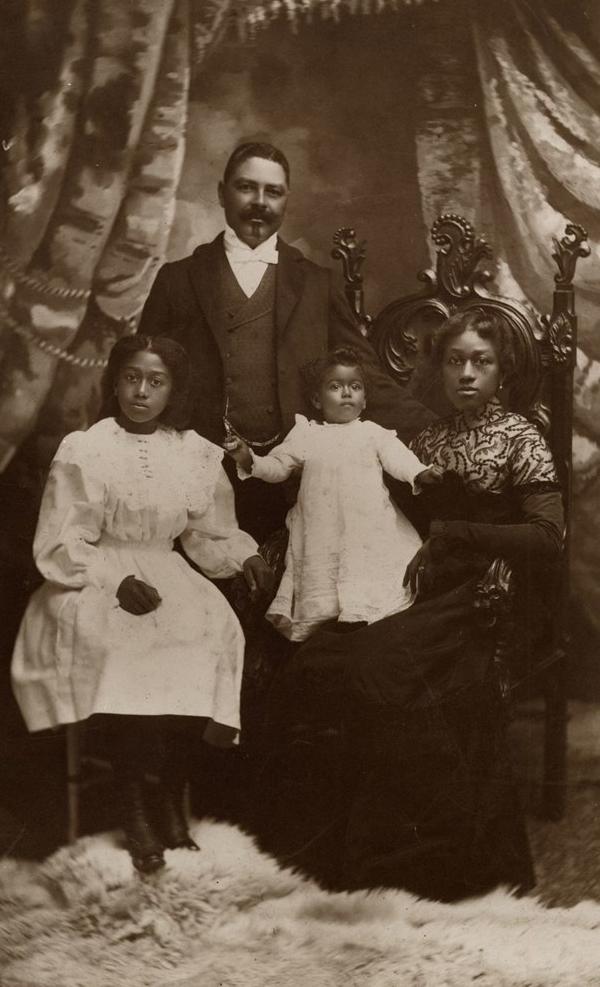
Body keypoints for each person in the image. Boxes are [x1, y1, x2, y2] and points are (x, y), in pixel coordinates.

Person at [252, 309, 564, 902]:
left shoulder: (522, 438)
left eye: (482, 361)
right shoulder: (426, 441)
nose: (466, 374)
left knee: (383, 669)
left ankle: (423, 866)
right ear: (439, 370)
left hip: (490, 595)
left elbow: (549, 539)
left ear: (505, 370)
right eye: (455, 361)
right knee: (325, 661)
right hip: (417, 586)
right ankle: (315, 858)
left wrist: (461, 535)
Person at [11, 334, 272, 874]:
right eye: (132, 377)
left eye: (156, 381)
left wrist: (243, 555)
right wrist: (113, 580)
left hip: (167, 570)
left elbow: (209, 532)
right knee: (129, 650)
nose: (141, 391)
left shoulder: (194, 452)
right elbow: (60, 541)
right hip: (94, 575)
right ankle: (134, 805)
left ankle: (171, 795)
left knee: (207, 640)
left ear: (172, 390)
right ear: (114, 380)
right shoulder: (86, 449)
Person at [137, 141, 434, 544]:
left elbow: (367, 376)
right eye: (247, 188)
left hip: (296, 477)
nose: (260, 202)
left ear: (286, 201)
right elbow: (138, 374)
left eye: (272, 192)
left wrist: (439, 430)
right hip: (200, 476)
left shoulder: (316, 282)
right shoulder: (178, 278)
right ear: (222, 192)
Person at [225, 346, 441, 641]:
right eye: (335, 387)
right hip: (321, 529)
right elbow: (279, 466)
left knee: (370, 587)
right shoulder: (306, 434)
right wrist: (250, 460)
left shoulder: (372, 433)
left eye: (355, 387)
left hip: (368, 525)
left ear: (364, 400)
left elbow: (397, 458)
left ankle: (366, 623)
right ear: (317, 399)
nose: (347, 393)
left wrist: (419, 472)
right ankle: (333, 632)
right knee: (325, 591)